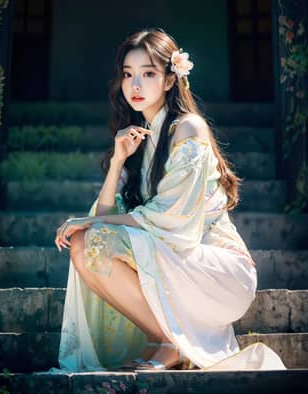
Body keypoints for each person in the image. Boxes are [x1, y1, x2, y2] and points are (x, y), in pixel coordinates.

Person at [53, 28, 286, 372]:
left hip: (217, 269)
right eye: (128, 74)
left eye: (148, 74)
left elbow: (170, 219)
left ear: (168, 80)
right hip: (174, 259)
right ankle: (164, 337)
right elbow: (104, 215)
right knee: (85, 244)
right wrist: (117, 162)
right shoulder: (140, 140)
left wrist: (91, 224)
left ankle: (169, 342)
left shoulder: (189, 129)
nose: (136, 85)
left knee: (93, 238)